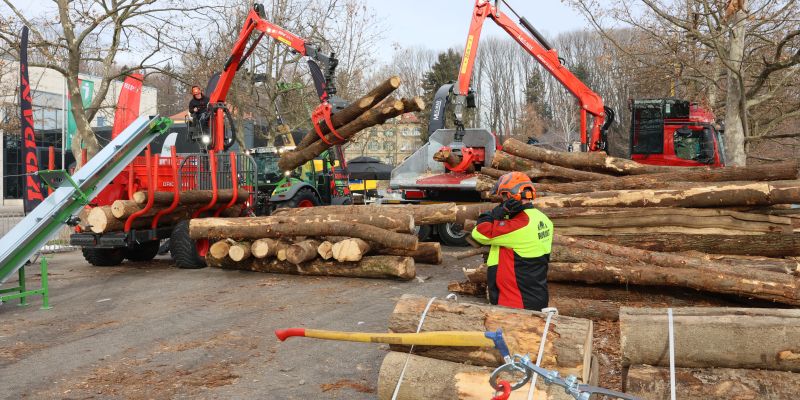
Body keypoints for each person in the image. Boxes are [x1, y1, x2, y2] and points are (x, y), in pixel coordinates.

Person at [471, 171, 553, 311]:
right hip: (535, 295)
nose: (502, 200)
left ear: (511, 197)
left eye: (503, 196)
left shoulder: (521, 224)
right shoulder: (543, 219)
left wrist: (497, 212)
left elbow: (479, 232)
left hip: (516, 302)